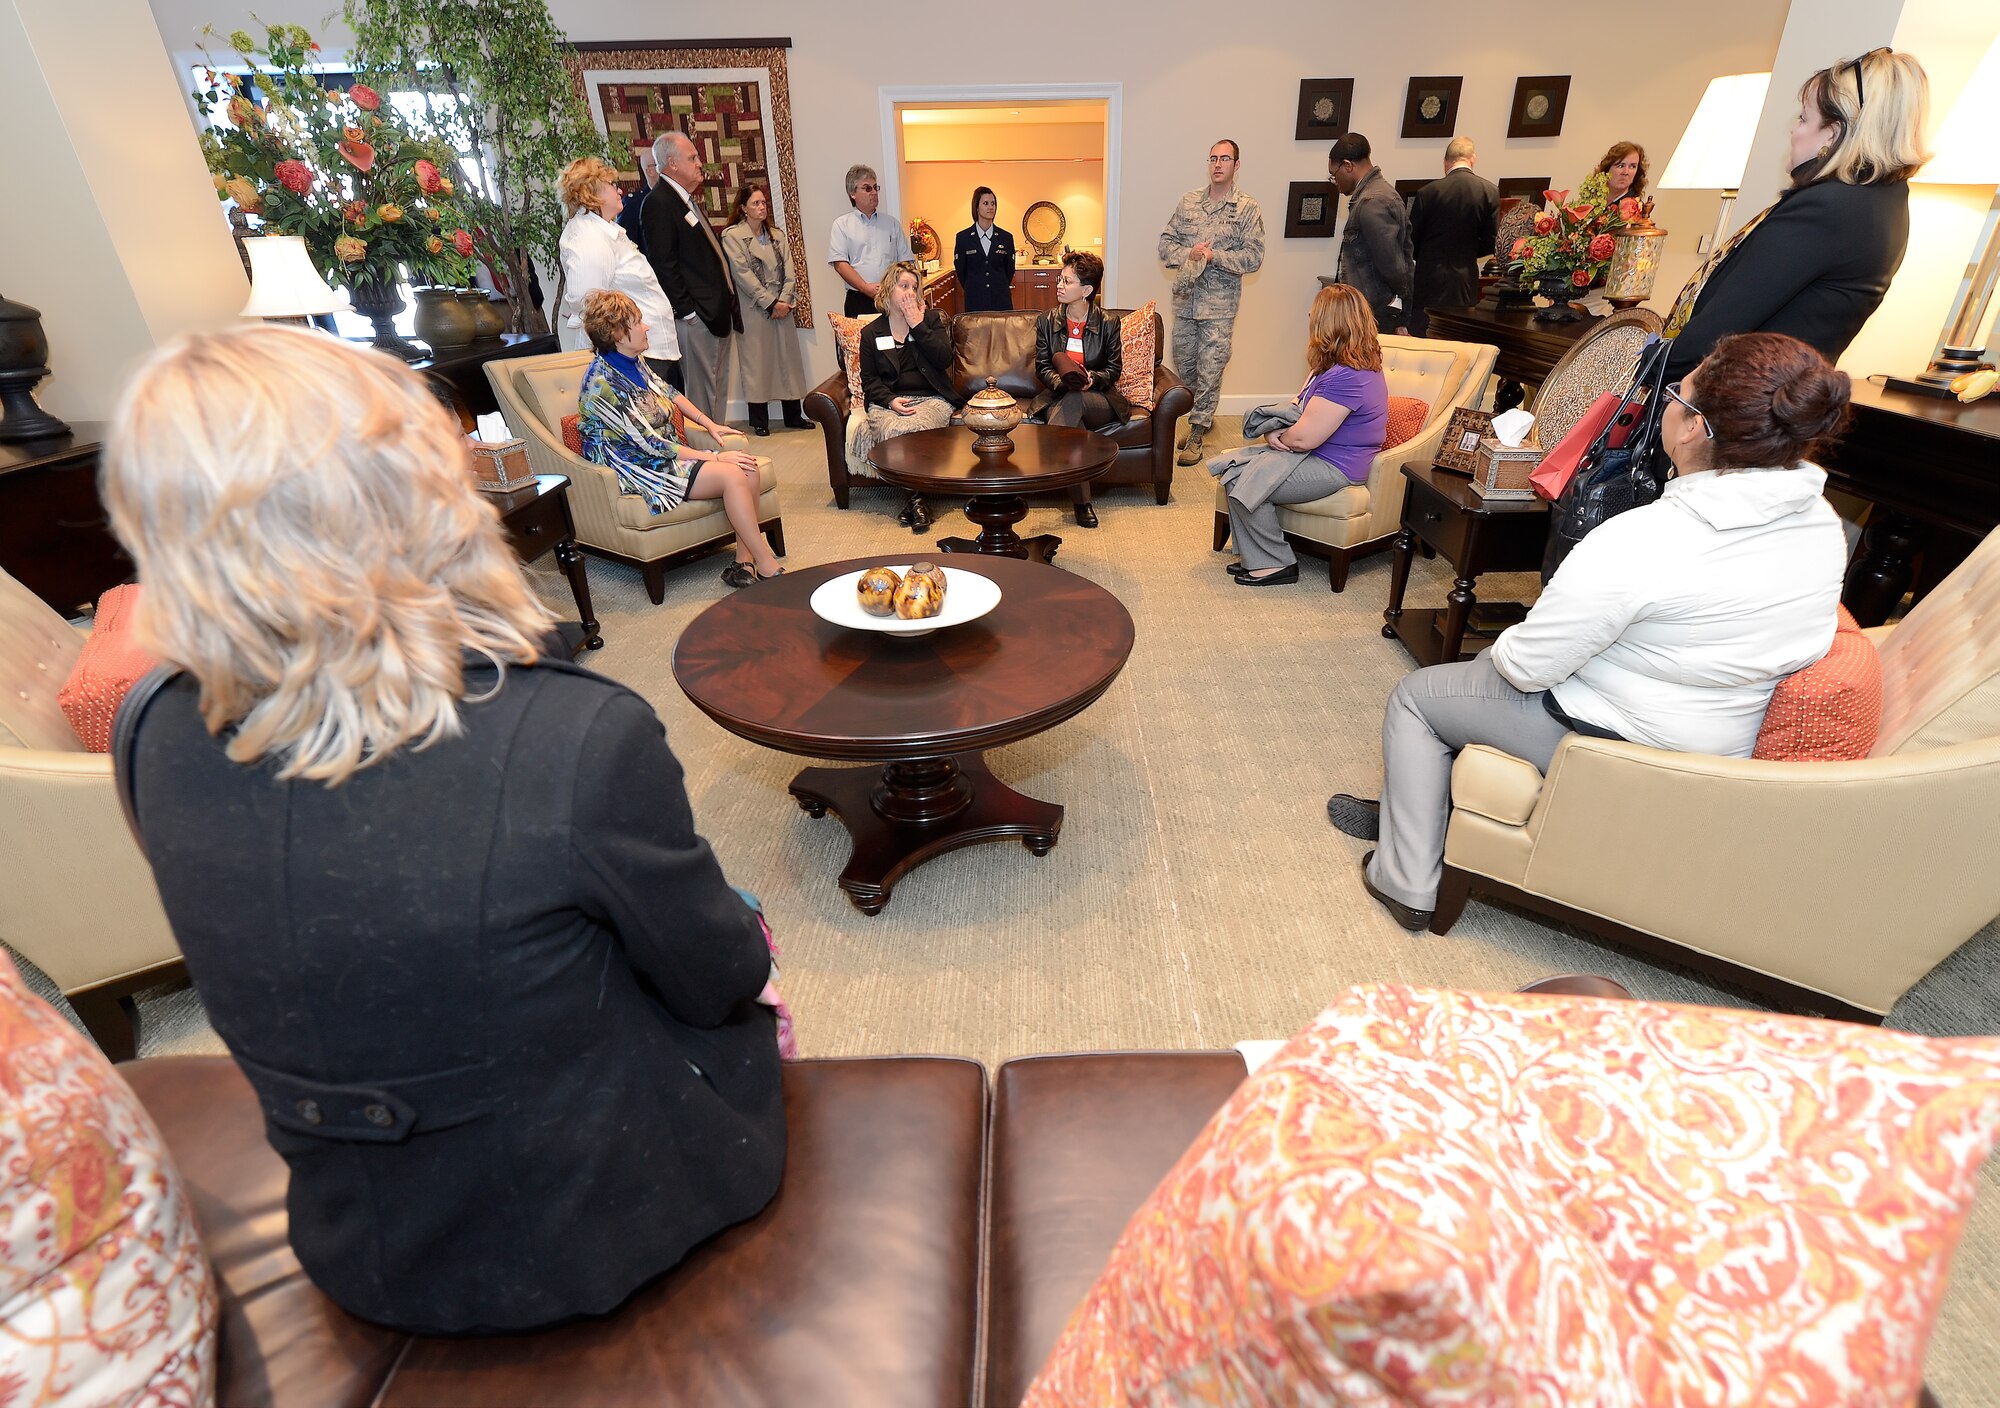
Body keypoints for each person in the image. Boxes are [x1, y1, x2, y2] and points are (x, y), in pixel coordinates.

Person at [100, 322, 787, 1335]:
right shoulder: (571, 737)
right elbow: (718, 977)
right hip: (601, 1222)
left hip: (361, 1242)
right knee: (739, 919)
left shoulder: (150, 728)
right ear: (414, 492)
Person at [1327, 332, 1852, 930]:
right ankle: (1414, 812)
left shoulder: (1646, 537)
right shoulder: (1821, 524)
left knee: (1418, 697)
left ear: (1693, 427)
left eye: (1676, 395)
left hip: (1619, 739)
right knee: (1476, 672)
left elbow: (1527, 666)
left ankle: (1405, 882)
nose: (1666, 405)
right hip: (1719, 740)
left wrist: (1503, 652)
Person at [1663, 49, 1930, 382]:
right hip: (1782, 399)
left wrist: (1651, 368)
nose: (1794, 130)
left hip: (1735, 399)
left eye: (1804, 118)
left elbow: (1719, 329)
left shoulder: (1827, 208)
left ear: (1833, 133)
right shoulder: (1886, 201)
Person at [576, 289, 780, 588]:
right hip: (637, 466)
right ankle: (767, 563)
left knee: (747, 468)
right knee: (733, 474)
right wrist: (713, 456)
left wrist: (709, 423)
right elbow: (649, 444)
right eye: (638, 322)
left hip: (661, 453)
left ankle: (743, 563)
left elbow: (669, 392)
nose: (647, 327)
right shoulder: (601, 383)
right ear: (618, 334)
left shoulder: (632, 360)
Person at [1210, 283, 1387, 587]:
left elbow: (1304, 439)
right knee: (1234, 470)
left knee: (1243, 480)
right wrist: (1275, 431)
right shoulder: (1332, 366)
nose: (1309, 316)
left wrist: (1276, 436)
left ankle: (1277, 563)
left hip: (1334, 466)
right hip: (1313, 455)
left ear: (1330, 322)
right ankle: (1258, 557)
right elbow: (1297, 407)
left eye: (1314, 313)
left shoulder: (1348, 376)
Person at [1158, 139, 1265, 467]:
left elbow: (1253, 257)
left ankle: (1197, 431)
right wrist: (1189, 253)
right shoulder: (1189, 202)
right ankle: (1201, 416)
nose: (1218, 164)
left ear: (1236, 165)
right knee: (1185, 367)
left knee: (1211, 368)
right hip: (1185, 301)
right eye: (1213, 158)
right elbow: (1165, 245)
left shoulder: (1247, 207)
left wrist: (1213, 256)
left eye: (1225, 159)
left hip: (1219, 307)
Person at [556, 156, 682, 389]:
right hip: (633, 356)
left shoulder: (604, 230)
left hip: (646, 351)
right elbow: (591, 305)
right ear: (591, 192)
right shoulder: (589, 238)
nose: (620, 190)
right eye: (612, 185)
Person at [643, 130, 741, 422]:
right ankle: (705, 447)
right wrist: (688, 312)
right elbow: (664, 265)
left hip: (716, 314)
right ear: (672, 163)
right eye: (693, 158)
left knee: (717, 389)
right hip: (697, 318)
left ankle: (720, 441)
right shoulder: (659, 202)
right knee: (702, 396)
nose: (700, 163)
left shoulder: (684, 200)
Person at [1030, 250, 1127, 529]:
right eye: (1059, 279)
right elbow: (1042, 367)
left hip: (1098, 399)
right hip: (1061, 395)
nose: (1059, 286)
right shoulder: (1046, 321)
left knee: (1075, 400)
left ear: (1086, 290)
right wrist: (1063, 382)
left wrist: (1091, 379)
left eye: (1067, 281)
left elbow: (1114, 369)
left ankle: (1048, 468)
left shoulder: (1108, 322)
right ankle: (1082, 503)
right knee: (1074, 418)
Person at [859, 261, 958, 532]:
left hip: (931, 399)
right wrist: (890, 401)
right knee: (894, 430)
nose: (910, 293)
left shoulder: (931, 321)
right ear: (888, 290)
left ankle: (913, 502)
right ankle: (918, 501)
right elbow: (869, 381)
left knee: (917, 428)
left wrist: (917, 324)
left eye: (915, 288)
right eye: (904, 286)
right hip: (889, 402)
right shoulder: (871, 333)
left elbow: (944, 359)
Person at [720, 183, 810, 436]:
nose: (761, 207)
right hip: (754, 309)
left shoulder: (777, 236)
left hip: (782, 306)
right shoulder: (732, 236)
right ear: (743, 208)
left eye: (763, 203)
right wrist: (769, 302)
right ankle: (759, 420)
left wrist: (784, 301)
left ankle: (793, 416)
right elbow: (742, 274)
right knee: (757, 364)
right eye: (755, 203)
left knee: (787, 361)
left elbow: (790, 271)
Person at [1407, 136, 1498, 337]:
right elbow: (1491, 242)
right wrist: (1468, 252)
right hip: (1464, 282)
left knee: (1425, 339)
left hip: (1429, 280)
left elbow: (1411, 242)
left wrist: (1429, 255)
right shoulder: (1490, 192)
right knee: (1458, 342)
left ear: (1446, 161)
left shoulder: (1427, 193)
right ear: (1473, 159)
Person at [1328, 132, 1414, 338]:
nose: (1335, 182)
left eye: (1334, 175)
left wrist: (1401, 318)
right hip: (1370, 312)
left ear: (1348, 166)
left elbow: (1395, 267)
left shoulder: (1372, 203)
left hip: (1374, 315)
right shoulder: (1375, 196)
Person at [829, 164, 913, 318]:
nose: (874, 192)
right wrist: (864, 287)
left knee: (895, 335)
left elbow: (906, 261)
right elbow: (840, 264)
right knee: (861, 335)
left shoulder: (891, 224)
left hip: (892, 297)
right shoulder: (842, 225)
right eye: (867, 188)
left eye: (875, 187)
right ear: (852, 193)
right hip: (858, 299)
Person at [953, 186, 1015, 312]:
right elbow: (961, 271)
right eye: (986, 203)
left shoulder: (1006, 237)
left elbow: (1009, 270)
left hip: (1001, 301)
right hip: (975, 301)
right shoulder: (963, 238)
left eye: (993, 203)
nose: (991, 207)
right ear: (976, 207)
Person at [618, 140, 660, 251]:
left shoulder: (675, 197)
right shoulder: (634, 204)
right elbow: (627, 246)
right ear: (650, 171)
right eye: (661, 163)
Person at [1593, 141, 1648, 208]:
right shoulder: (1591, 198)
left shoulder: (1635, 209)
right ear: (1607, 169)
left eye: (1632, 166)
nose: (1626, 172)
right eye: (1620, 166)